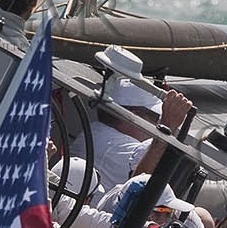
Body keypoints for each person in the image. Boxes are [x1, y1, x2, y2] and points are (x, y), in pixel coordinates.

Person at [78, 47, 193, 196]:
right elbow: (140, 183)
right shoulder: (122, 147)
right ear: (134, 116)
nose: (156, 125)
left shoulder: (93, 131)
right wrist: (166, 126)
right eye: (156, 119)